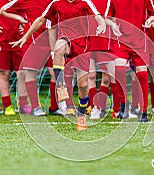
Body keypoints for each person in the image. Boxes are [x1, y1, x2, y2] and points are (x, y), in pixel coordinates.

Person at [10, 0, 107, 130]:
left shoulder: (85, 2)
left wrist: (102, 25)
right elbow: (40, 20)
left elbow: (98, 17)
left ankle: (81, 111)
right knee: (59, 48)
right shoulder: (56, 3)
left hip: (82, 45)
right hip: (65, 37)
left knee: (83, 85)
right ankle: (61, 87)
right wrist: (26, 37)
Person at [0, 0, 65, 116]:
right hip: (33, 40)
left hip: (52, 38)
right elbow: (3, 10)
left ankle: (55, 107)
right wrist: (21, 20)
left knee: (56, 73)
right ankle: (35, 107)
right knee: (31, 73)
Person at [105, 0, 154, 122]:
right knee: (118, 69)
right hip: (121, 39)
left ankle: (143, 110)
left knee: (142, 71)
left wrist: (149, 20)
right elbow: (107, 18)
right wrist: (113, 25)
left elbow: (153, 14)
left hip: (139, 39)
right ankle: (124, 103)